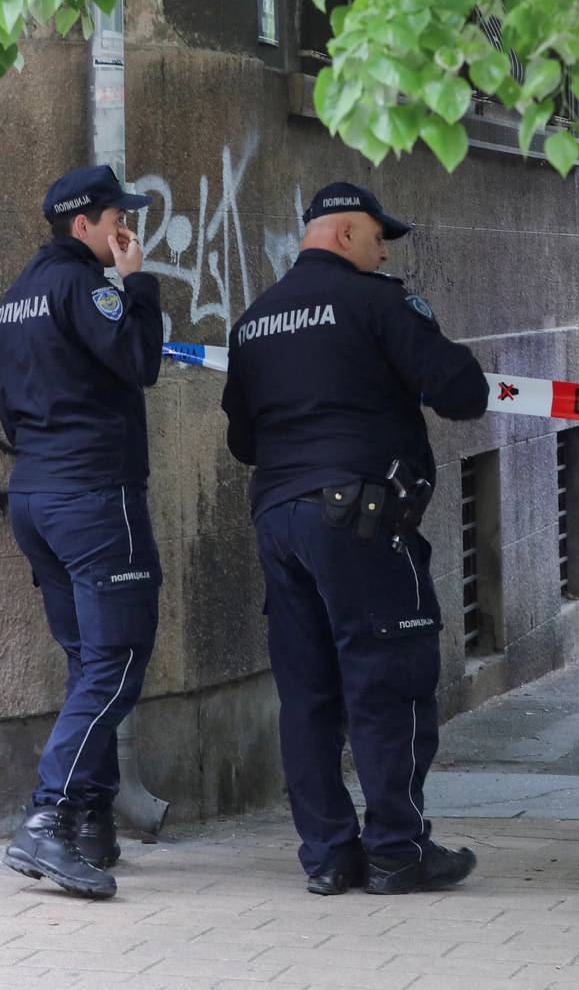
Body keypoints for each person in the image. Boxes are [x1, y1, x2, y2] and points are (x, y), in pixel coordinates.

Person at [221, 182, 488, 897]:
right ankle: (399, 850)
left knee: (307, 692)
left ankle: (330, 856)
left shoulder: (253, 320)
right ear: (342, 234)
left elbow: (244, 439)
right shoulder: (378, 302)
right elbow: (462, 390)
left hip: (279, 518)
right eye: (377, 238)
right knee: (388, 680)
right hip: (361, 520)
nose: (382, 251)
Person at [0, 164, 163, 901]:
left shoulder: (17, 295)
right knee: (118, 661)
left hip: (36, 494)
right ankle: (47, 817)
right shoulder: (83, 283)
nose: (127, 227)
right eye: (117, 217)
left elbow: (10, 405)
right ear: (85, 223)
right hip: (94, 496)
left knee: (87, 661)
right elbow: (139, 359)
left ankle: (90, 820)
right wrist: (137, 281)